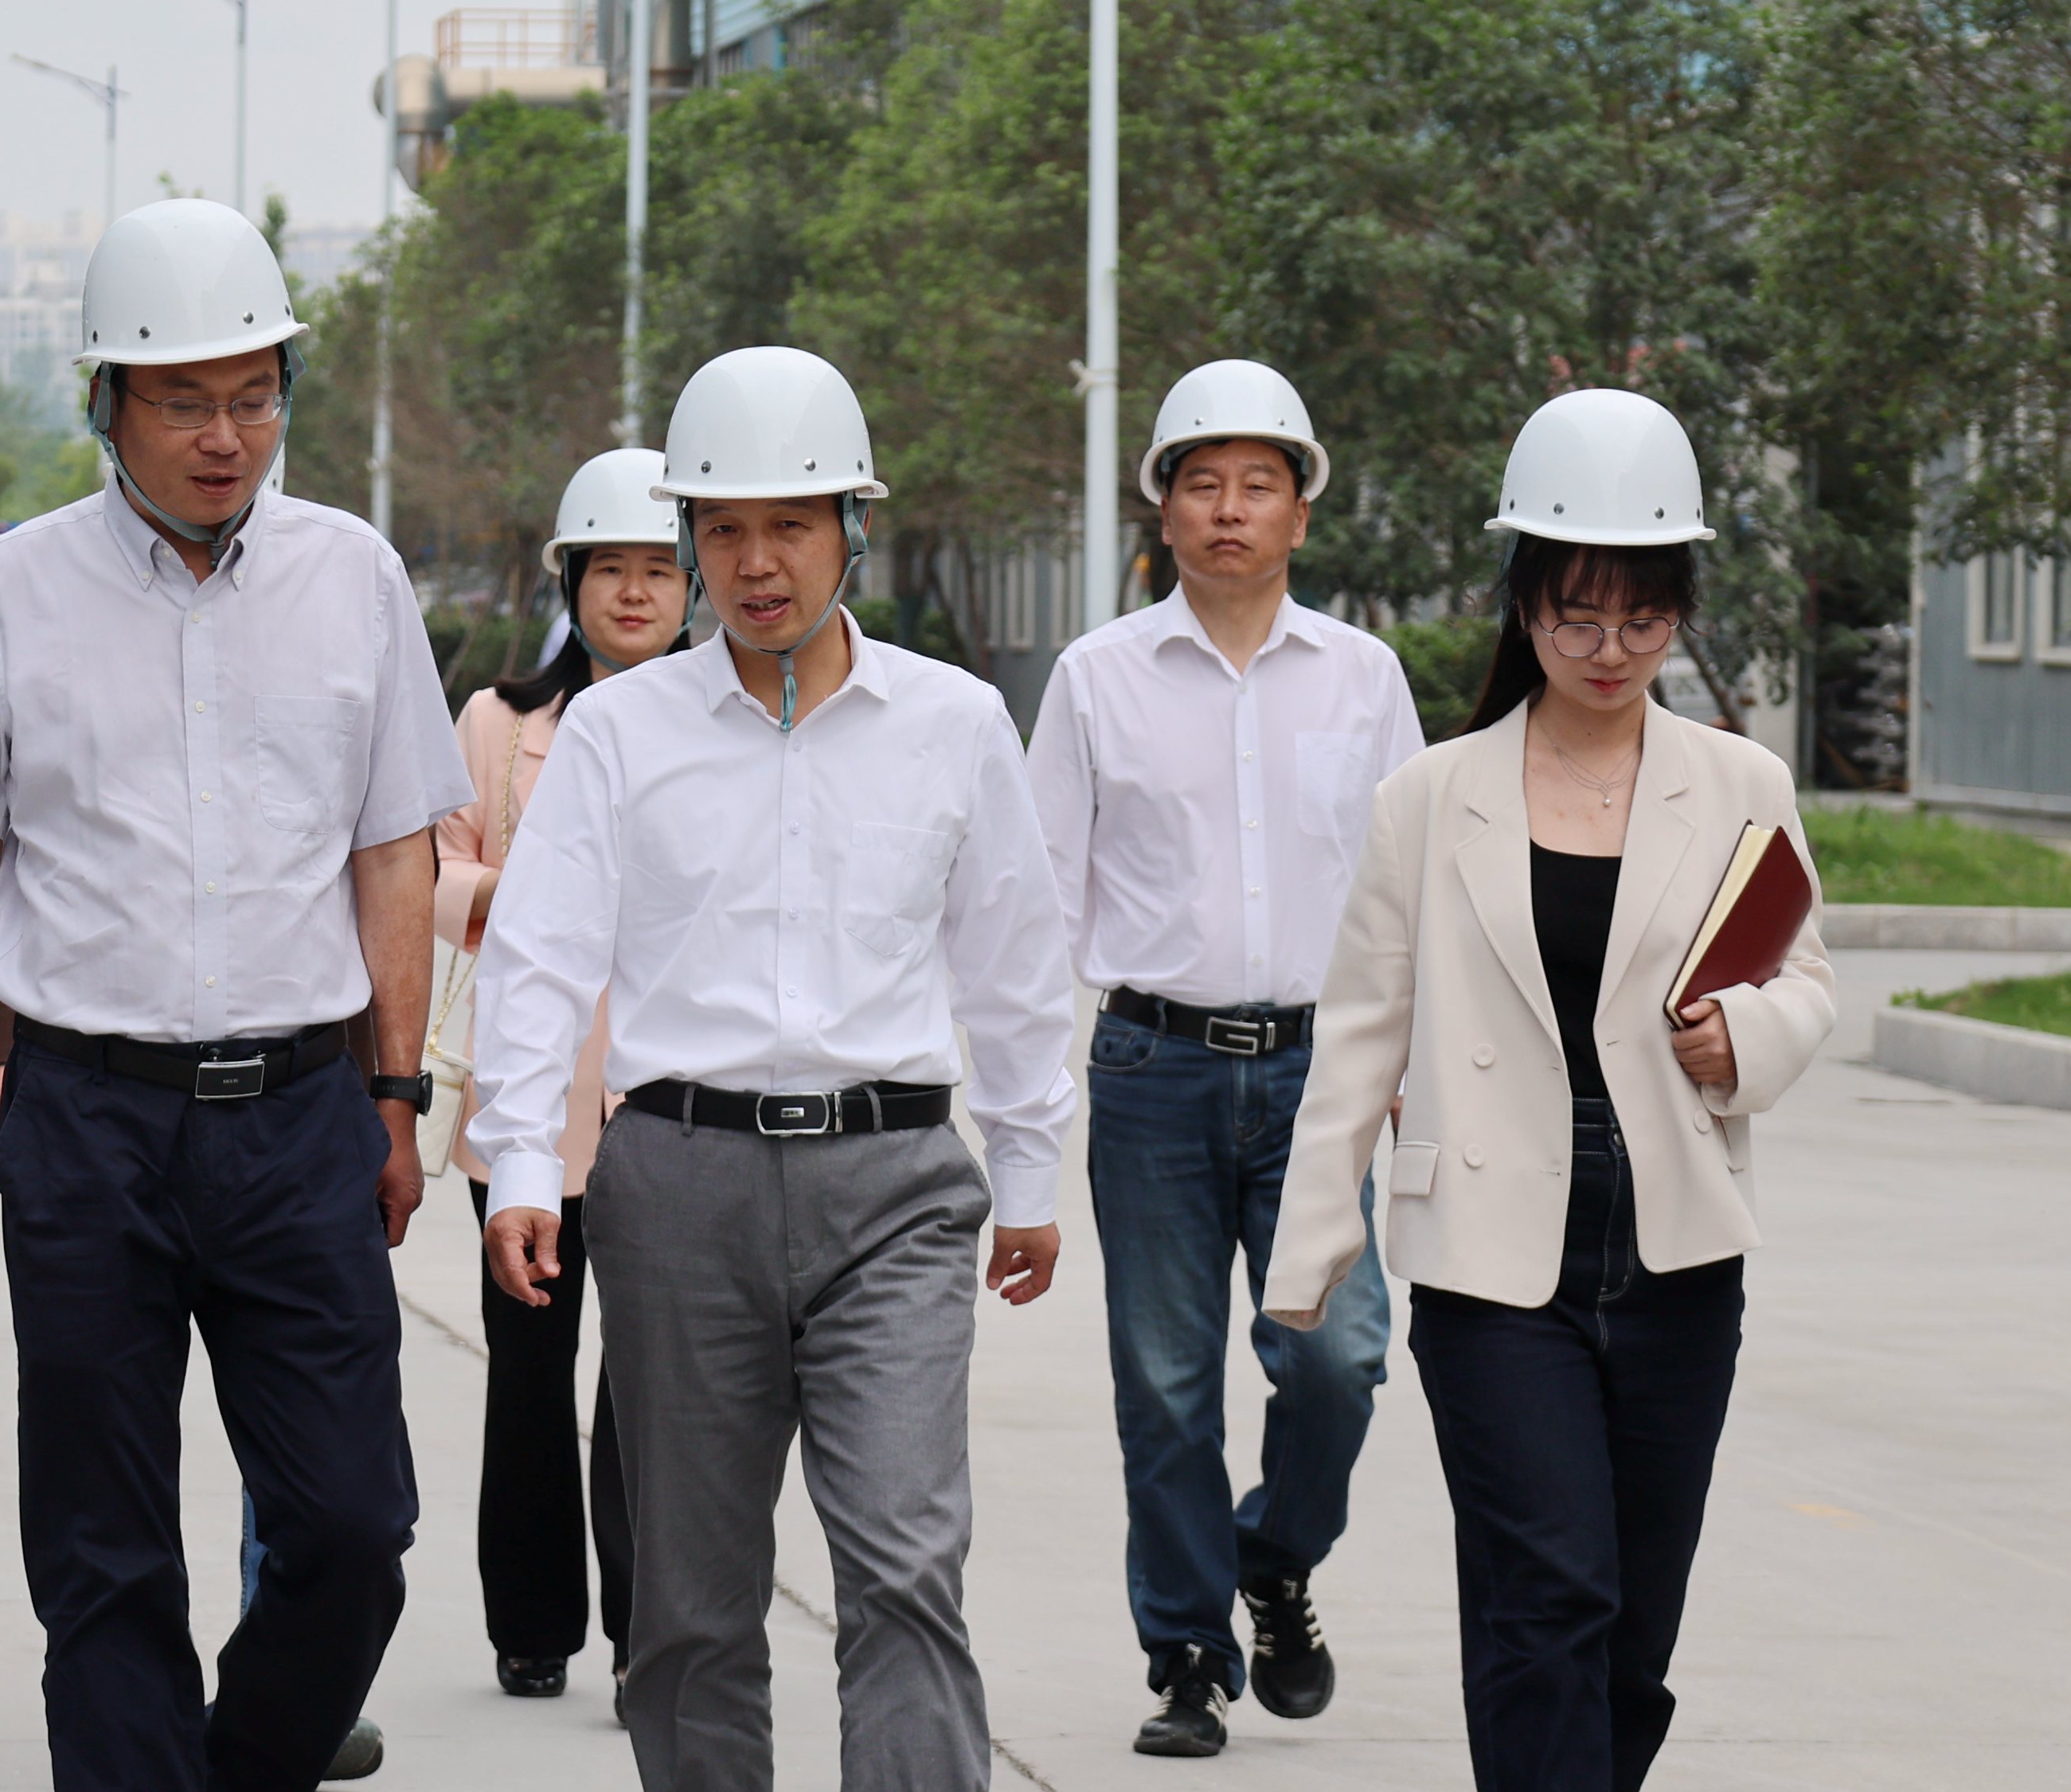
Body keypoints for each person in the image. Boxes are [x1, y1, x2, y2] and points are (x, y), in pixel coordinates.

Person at [0, 197, 469, 1792]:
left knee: (354, 1525)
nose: (224, 436)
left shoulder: (353, 578)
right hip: (87, 1124)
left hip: (299, 1119)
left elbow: (394, 856)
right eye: (185, 400)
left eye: (254, 395)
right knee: (103, 1554)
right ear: (106, 402)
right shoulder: (8, 595)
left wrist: (396, 1091)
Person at [471, 346, 1078, 1792]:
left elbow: (1012, 956)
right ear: (689, 538)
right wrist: (521, 1162)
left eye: (790, 525)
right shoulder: (620, 731)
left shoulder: (951, 723)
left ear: (851, 527)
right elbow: (539, 956)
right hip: (678, 1188)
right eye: (724, 528)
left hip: (895, 1191)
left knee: (905, 1571)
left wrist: (1027, 1168)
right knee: (688, 1609)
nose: (755, 563)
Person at [1263, 388, 1835, 1792]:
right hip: (1489, 1250)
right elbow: (1360, 1033)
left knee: (1631, 1626)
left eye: (1641, 619)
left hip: (1672, 1239)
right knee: (1548, 1589)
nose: (1607, 650)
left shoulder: (1739, 781)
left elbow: (1806, 978)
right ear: (1522, 604)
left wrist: (1742, 1038)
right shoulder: (1429, 796)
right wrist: (1311, 1242)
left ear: (1679, 613)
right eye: (1576, 617)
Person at [1024, 359, 1417, 1756]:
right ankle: (1187, 1651)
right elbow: (1039, 898)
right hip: (1153, 1065)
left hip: (1320, 1072)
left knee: (1339, 1358)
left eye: (1258, 484)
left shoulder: (1363, 680)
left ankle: (1273, 1554)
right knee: (1166, 1382)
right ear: (1165, 508)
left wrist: (1414, 1070)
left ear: (1300, 512)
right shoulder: (1095, 680)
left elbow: (1409, 890)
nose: (1229, 509)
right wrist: (1024, 1110)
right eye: (1202, 483)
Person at [436, 445, 685, 1708]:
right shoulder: (498, 724)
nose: (632, 593)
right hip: (526, 1103)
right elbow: (427, 868)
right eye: (609, 569)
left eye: (657, 570)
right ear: (569, 582)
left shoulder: (728, 723)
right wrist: (522, 896)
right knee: (529, 1373)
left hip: (667, 1104)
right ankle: (531, 1622)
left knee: (648, 1384)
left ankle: (647, 1631)